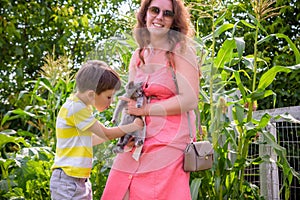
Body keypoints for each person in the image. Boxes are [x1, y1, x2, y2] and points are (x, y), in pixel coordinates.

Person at [101, 0, 200, 199]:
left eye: (167, 13)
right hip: (137, 135)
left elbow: (190, 99)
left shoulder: (181, 51)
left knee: (155, 191)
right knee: (118, 188)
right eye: (154, 10)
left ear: (174, 20)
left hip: (170, 138)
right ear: (145, 14)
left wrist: (145, 110)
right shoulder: (138, 55)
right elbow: (132, 98)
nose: (160, 17)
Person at [49, 60, 144, 200]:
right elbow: (106, 133)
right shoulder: (75, 108)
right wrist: (133, 126)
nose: (111, 102)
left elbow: (90, 139)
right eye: (108, 97)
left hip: (79, 180)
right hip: (67, 181)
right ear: (91, 95)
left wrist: (122, 142)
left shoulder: (81, 107)